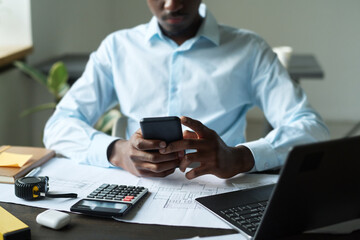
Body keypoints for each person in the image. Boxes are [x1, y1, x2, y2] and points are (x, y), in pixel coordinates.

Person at [43, 0, 329, 180]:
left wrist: (240, 157)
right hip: (138, 193)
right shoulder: (117, 48)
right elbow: (59, 125)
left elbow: (311, 129)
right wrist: (118, 151)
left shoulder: (249, 50)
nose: (171, 5)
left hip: (224, 190)